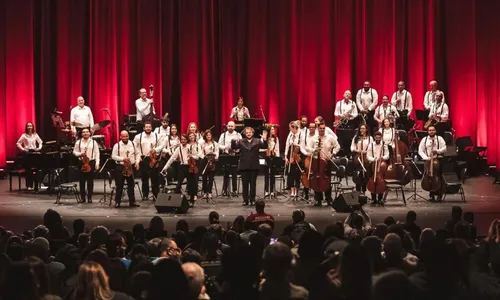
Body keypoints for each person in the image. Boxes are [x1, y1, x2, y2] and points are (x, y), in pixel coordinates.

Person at [306, 122, 341, 206]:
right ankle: (318, 199)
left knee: (327, 180)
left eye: (323, 128)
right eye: (320, 128)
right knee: (316, 179)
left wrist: (333, 154)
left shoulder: (330, 137)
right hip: (316, 161)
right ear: (318, 129)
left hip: (327, 161)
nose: (322, 130)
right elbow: (307, 147)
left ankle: (328, 198)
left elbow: (337, 146)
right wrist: (314, 150)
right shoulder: (314, 138)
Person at [231, 127, 268, 205]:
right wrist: (233, 140)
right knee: (245, 184)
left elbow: (265, 147)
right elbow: (234, 147)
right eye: (247, 132)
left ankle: (252, 199)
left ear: (253, 133)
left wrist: (264, 139)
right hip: (244, 165)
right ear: (245, 133)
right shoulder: (241, 141)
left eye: (250, 132)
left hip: (254, 165)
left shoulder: (257, 141)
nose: (248, 134)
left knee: (253, 183)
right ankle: (245, 200)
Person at [162, 134, 199, 204]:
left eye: (184, 139)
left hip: (190, 166)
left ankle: (191, 200)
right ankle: (177, 200)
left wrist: (192, 156)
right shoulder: (178, 148)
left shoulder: (191, 147)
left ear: (187, 140)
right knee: (179, 184)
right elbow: (172, 158)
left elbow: (197, 157)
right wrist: (165, 168)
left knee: (191, 184)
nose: (183, 141)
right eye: (182, 139)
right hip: (182, 167)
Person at [133, 121, 163, 201]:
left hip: (154, 158)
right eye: (146, 127)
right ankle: (145, 194)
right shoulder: (138, 137)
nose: (148, 128)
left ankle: (155, 195)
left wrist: (155, 149)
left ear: (151, 128)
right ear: (144, 128)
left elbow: (161, 145)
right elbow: (134, 147)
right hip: (144, 159)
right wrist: (138, 157)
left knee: (155, 178)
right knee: (144, 178)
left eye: (149, 127)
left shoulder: (157, 136)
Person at [111, 130, 140, 208]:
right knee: (119, 185)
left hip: (131, 166)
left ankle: (132, 202)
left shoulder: (133, 144)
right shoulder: (117, 145)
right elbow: (113, 156)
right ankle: (117, 202)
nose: (125, 138)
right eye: (123, 136)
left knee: (131, 185)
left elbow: (138, 153)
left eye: (126, 136)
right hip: (120, 167)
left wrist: (137, 162)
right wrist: (122, 159)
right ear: (120, 137)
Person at [418, 125, 446, 201]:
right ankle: (431, 194)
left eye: (432, 130)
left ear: (435, 131)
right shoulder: (425, 139)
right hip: (428, 160)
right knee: (429, 177)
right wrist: (426, 158)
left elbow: (444, 148)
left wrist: (437, 151)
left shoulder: (439, 139)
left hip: (438, 159)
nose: (431, 131)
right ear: (428, 131)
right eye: (429, 130)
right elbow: (420, 150)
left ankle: (440, 194)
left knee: (438, 176)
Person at [73, 128, 100, 203]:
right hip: (81, 162)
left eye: (87, 132)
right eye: (83, 132)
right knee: (82, 181)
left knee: (90, 181)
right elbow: (74, 152)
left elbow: (97, 153)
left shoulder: (93, 142)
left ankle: (90, 197)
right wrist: (80, 154)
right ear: (81, 134)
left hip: (91, 162)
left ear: (89, 133)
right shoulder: (78, 142)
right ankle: (82, 197)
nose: (85, 133)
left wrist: (97, 163)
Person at [16, 122, 43, 191]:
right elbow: (18, 143)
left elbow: (40, 142)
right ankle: (29, 185)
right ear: (26, 127)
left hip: (34, 152)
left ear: (33, 127)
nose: (29, 127)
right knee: (28, 170)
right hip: (27, 153)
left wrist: (39, 148)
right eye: (28, 126)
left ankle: (36, 185)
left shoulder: (35, 135)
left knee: (36, 169)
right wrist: (23, 149)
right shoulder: (24, 135)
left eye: (30, 126)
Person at [218, 121, 242, 196]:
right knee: (226, 173)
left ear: (234, 127)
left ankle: (234, 190)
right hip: (226, 154)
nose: (230, 127)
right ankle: (225, 190)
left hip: (234, 155)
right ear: (227, 127)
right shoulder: (223, 135)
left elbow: (241, 145)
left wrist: (236, 149)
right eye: (229, 126)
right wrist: (225, 147)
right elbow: (219, 145)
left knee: (234, 173)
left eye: (232, 126)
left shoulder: (238, 135)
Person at [366, 132, 390, 204]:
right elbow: (368, 155)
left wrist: (382, 158)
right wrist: (374, 159)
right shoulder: (371, 145)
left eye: (379, 138)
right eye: (377, 138)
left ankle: (380, 198)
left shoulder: (384, 145)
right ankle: (373, 198)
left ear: (381, 138)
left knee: (381, 180)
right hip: (373, 163)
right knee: (373, 180)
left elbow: (387, 155)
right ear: (374, 137)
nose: (378, 139)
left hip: (381, 163)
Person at [351, 123, 373, 194]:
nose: (362, 130)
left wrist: (366, 151)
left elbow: (372, 147)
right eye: (361, 128)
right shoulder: (356, 137)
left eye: (363, 128)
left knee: (365, 174)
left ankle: (364, 190)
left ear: (366, 129)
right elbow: (352, 148)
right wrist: (357, 150)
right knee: (358, 173)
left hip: (366, 156)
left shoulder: (370, 138)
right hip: (358, 156)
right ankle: (358, 189)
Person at [284, 121, 302, 199]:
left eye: (290, 128)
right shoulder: (290, 134)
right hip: (290, 154)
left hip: (298, 155)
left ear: (295, 128)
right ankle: (292, 190)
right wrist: (285, 156)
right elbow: (287, 144)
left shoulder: (301, 134)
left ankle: (296, 190)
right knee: (290, 173)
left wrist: (296, 145)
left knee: (297, 174)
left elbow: (302, 145)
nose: (289, 129)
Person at [199, 131, 219, 201]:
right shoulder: (202, 143)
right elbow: (200, 152)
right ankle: (205, 192)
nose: (208, 136)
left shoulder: (215, 143)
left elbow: (217, 152)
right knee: (204, 177)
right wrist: (204, 157)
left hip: (212, 161)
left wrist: (213, 156)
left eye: (210, 135)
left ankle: (209, 192)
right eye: (207, 135)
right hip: (204, 161)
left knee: (211, 177)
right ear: (205, 136)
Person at [300, 122, 317, 200]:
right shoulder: (305, 136)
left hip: (316, 158)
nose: (311, 129)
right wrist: (306, 153)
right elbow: (302, 147)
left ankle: (317, 193)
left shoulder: (317, 137)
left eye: (313, 127)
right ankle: (306, 192)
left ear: (315, 128)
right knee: (306, 175)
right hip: (307, 157)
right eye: (310, 127)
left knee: (316, 175)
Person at [262, 126, 280, 197]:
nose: (273, 130)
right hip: (266, 157)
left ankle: (272, 190)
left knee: (272, 174)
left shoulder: (276, 138)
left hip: (273, 157)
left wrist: (277, 158)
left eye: (273, 129)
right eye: (272, 129)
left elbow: (277, 149)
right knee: (266, 174)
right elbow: (261, 148)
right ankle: (266, 190)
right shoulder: (264, 138)